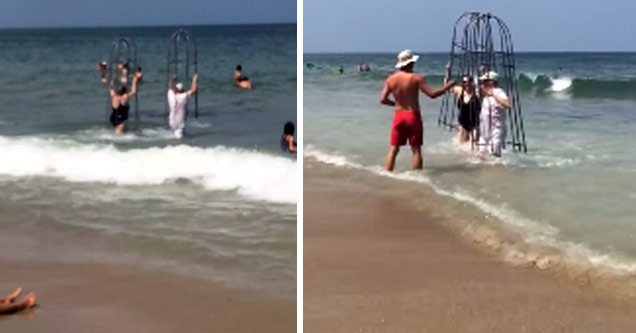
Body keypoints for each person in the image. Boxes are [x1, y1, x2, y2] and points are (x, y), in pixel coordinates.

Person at [379, 49, 455, 171]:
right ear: (410, 63)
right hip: (412, 116)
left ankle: (386, 175)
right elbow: (432, 94)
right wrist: (448, 86)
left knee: (394, 149)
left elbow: (383, 100)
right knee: (416, 149)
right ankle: (417, 178)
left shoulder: (391, 79)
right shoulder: (415, 78)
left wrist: (396, 104)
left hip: (399, 116)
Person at [477, 71, 511, 158]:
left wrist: (493, 95)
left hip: (496, 129)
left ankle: (499, 170)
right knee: (481, 155)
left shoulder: (499, 92)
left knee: (494, 155)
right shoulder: (486, 93)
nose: (483, 83)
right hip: (485, 130)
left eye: (485, 81)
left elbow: (507, 104)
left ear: (491, 82)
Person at [445, 64, 480, 144]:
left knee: (473, 146)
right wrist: (448, 71)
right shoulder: (460, 91)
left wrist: (480, 73)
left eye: (468, 82)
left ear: (472, 83)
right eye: (464, 82)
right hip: (462, 124)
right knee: (461, 147)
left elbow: (486, 87)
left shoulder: (477, 92)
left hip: (474, 125)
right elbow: (447, 86)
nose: (466, 84)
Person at [167, 74, 198, 139]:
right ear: (182, 90)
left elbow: (169, 87)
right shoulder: (184, 96)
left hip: (172, 122)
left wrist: (172, 80)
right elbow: (193, 90)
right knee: (179, 139)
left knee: (179, 133)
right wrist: (194, 79)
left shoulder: (171, 96)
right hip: (179, 123)